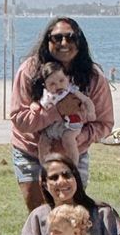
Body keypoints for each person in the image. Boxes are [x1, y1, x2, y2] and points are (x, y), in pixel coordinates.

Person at [10, 17, 114, 210]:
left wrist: (75, 138)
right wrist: (56, 112)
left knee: (71, 213)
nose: (64, 43)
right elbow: (19, 119)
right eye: (57, 38)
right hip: (31, 151)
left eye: (71, 38)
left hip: (74, 154)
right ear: (47, 41)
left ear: (80, 42)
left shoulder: (93, 77)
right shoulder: (29, 71)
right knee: (39, 213)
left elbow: (104, 123)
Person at [34, 60, 96, 166]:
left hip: (71, 124)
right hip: (52, 126)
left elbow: (87, 100)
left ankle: (73, 165)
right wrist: (34, 107)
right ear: (45, 85)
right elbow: (38, 104)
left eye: (61, 80)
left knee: (68, 140)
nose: (58, 85)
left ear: (67, 78)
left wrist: (91, 112)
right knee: (42, 143)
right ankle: (45, 166)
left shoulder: (71, 90)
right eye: (52, 84)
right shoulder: (46, 95)